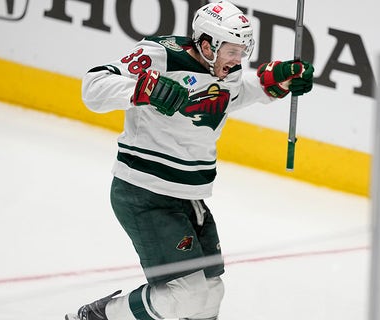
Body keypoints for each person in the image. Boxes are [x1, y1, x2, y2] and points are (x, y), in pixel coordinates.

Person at [65, 1, 314, 319]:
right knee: (184, 295)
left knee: (211, 293)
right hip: (144, 192)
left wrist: (273, 83)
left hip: (189, 197)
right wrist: (144, 89)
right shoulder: (161, 54)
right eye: (232, 51)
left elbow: (226, 96)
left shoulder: (227, 69)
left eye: (242, 51)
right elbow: (94, 87)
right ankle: (99, 316)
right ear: (207, 44)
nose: (238, 59)